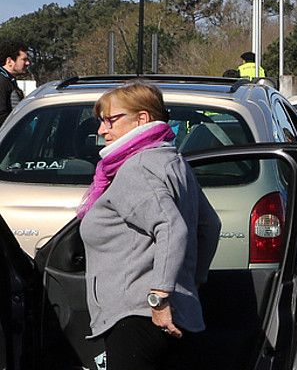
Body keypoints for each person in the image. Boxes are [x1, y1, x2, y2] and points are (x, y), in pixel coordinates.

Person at [78, 80, 220, 370]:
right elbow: (210, 225)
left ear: (142, 119)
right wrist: (191, 280)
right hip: (172, 314)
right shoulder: (172, 160)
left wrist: (159, 298)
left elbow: (171, 227)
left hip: (137, 316)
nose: (102, 130)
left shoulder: (137, 169)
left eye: (110, 121)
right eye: (101, 122)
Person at [0, 39, 30, 126]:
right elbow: (2, 116)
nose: (27, 63)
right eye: (24, 59)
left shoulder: (9, 80)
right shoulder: (2, 82)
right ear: (9, 61)